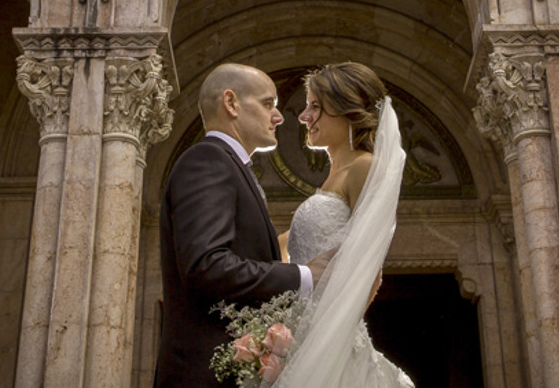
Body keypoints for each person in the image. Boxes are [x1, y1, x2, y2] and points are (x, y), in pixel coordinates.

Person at [154, 63, 332, 388]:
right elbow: (206, 266)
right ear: (231, 103)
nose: (278, 117)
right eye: (268, 104)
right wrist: (304, 276)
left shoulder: (227, 165)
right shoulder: (207, 161)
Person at [274, 62, 415, 388]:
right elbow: (290, 247)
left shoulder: (364, 167)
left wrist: (326, 341)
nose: (303, 116)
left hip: (329, 341)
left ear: (346, 109)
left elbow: (370, 270)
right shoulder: (334, 176)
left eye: (315, 107)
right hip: (301, 333)